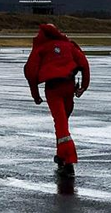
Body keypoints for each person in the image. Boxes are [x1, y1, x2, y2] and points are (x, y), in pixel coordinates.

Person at [24, 24, 90, 177]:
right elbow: (84, 64)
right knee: (62, 123)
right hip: (69, 87)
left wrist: (35, 95)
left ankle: (69, 160)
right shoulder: (69, 46)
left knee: (61, 126)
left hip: (54, 89)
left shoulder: (41, 49)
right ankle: (61, 157)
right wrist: (84, 86)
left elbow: (31, 72)